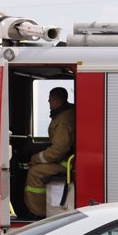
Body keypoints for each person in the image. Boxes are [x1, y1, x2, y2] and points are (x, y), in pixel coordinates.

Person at [24, 86, 76, 219]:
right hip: (66, 160)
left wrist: (36, 158)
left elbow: (58, 150)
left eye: (50, 100)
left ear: (57, 101)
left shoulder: (62, 121)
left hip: (66, 164)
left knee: (34, 172)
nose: (48, 102)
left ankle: (39, 213)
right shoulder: (66, 113)